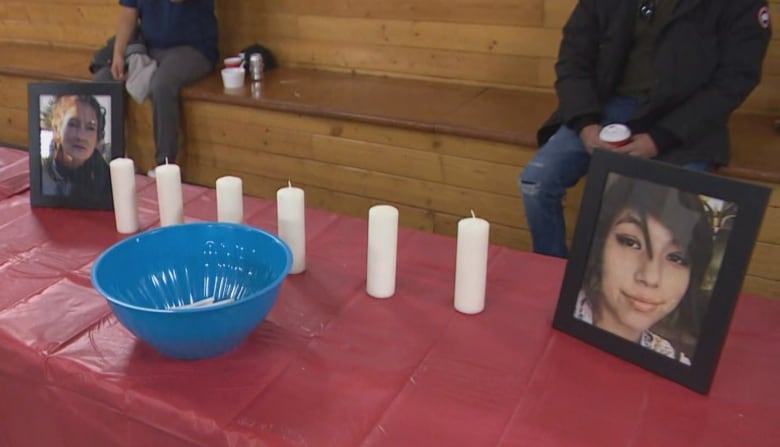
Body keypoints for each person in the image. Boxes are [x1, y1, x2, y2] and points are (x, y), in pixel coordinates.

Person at [519, 0, 772, 258]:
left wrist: (660, 139)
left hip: (683, 118)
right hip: (603, 106)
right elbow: (573, 60)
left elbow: (735, 81)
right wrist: (585, 124)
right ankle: (552, 269)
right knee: (536, 182)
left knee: (660, 213)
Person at [574, 174, 714, 365]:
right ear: (600, 244)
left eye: (676, 258)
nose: (650, 277)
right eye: (631, 243)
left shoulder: (673, 362)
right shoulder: (568, 315)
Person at [93, 0, 218, 175]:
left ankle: (165, 166)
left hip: (194, 48)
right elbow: (129, 14)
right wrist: (118, 54)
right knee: (104, 79)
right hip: (149, 47)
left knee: (162, 85)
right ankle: (111, 162)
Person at [41, 95, 113, 209]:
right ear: (56, 129)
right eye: (73, 124)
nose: (81, 136)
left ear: (97, 139)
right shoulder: (42, 178)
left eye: (90, 128)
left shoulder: (110, 183)